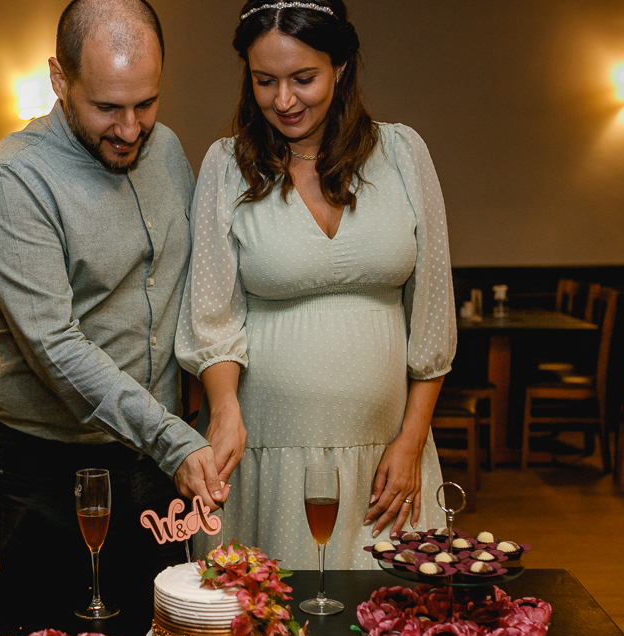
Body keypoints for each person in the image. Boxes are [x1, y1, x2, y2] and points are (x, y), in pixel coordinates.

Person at [175, 0, 457, 570]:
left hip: (387, 455)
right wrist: (223, 406)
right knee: (269, 623)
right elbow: (213, 316)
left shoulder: (402, 154)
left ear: (342, 67)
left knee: (385, 623)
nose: (283, 100)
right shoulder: (228, 166)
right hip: (264, 458)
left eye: (303, 78)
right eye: (264, 80)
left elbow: (432, 314)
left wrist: (410, 440)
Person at [0, 0, 226, 610]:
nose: (131, 128)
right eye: (107, 107)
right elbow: (55, 347)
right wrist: (174, 440)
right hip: (47, 472)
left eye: (147, 103)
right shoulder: (13, 183)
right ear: (60, 81)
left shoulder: (166, 152)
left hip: (156, 463)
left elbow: (192, 285)